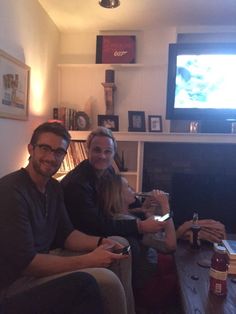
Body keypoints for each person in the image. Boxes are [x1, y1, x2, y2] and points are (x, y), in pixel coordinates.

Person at [0, 122, 135, 314]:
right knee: (107, 281)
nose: (51, 157)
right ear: (31, 148)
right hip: (15, 283)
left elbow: (68, 235)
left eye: (58, 152)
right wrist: (90, 259)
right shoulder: (10, 191)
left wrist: (102, 242)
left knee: (118, 244)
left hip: (45, 259)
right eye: (45, 148)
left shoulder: (54, 188)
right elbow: (27, 264)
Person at [61, 126, 172, 287]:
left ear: (113, 154)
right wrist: (140, 226)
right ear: (88, 150)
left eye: (108, 151)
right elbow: (95, 224)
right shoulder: (78, 184)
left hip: (100, 223)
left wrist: (142, 208)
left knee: (134, 237)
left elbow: (117, 202)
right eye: (97, 150)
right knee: (130, 243)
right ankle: (136, 291)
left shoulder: (109, 172)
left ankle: (140, 287)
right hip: (81, 234)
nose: (102, 156)